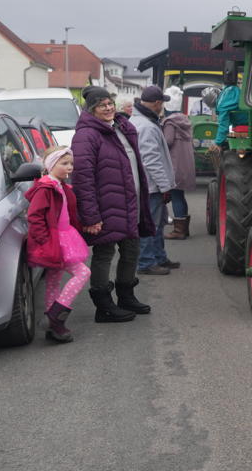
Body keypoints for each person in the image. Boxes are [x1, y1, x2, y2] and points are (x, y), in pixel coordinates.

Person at [71, 86, 154, 322]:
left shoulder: (121, 127)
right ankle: (104, 306)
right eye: (101, 105)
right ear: (91, 109)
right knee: (105, 252)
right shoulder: (87, 135)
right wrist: (90, 216)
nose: (108, 108)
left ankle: (126, 296)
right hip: (105, 207)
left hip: (130, 203)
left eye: (110, 103)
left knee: (132, 251)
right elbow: (82, 178)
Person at [25, 146, 90, 343]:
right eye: (64, 163)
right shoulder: (46, 188)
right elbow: (34, 216)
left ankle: (54, 326)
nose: (69, 167)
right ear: (51, 165)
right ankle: (55, 316)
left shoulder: (60, 185)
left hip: (65, 236)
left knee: (54, 279)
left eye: (71, 163)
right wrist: (44, 241)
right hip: (55, 240)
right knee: (83, 273)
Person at [130, 84, 178, 276]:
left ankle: (158, 257)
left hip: (149, 184)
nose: (162, 107)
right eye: (162, 103)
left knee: (157, 224)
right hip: (151, 186)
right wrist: (165, 186)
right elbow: (151, 160)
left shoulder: (139, 121)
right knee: (151, 225)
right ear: (157, 103)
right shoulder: (147, 127)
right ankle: (147, 262)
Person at [161, 87, 196, 240]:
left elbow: (167, 142)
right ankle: (184, 228)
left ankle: (179, 230)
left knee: (176, 196)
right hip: (185, 164)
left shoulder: (170, 122)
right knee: (180, 195)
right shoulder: (184, 120)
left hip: (175, 164)